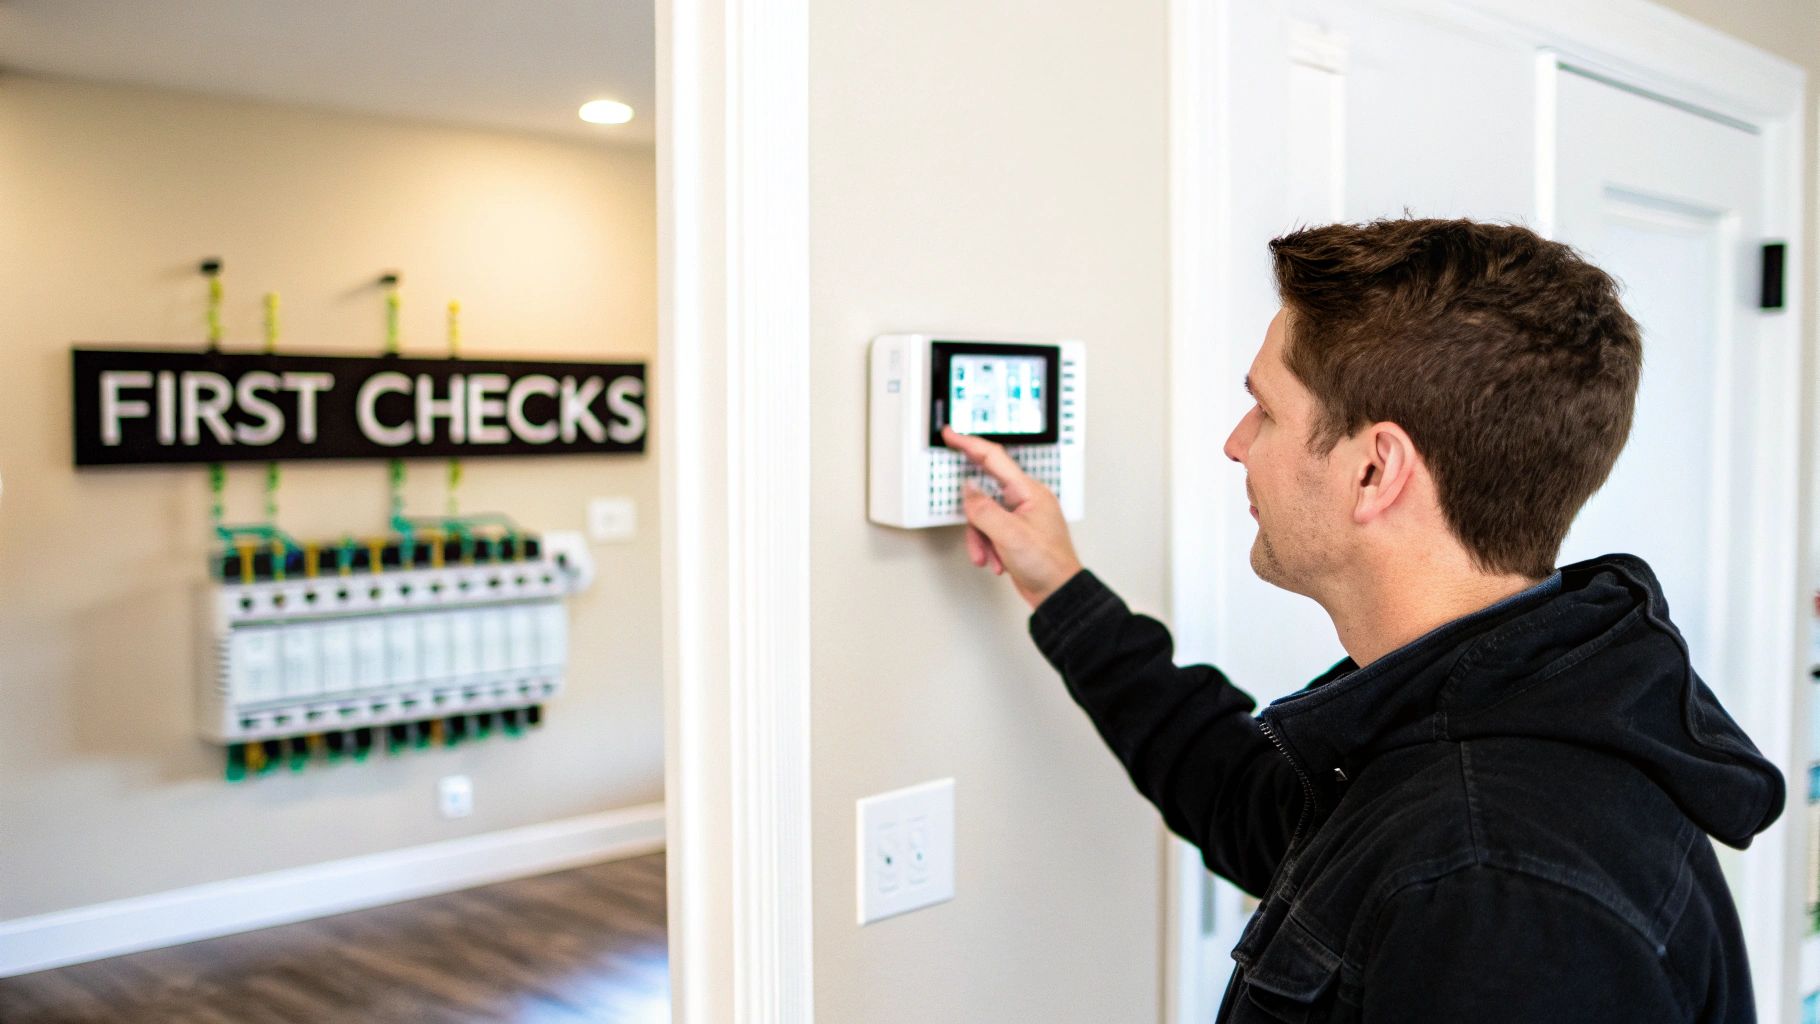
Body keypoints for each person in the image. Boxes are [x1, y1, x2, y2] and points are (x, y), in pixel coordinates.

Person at [942, 217, 1784, 1023]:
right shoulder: (1478, 699)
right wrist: (1060, 586)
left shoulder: (1494, 888)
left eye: (1265, 410)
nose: (1236, 443)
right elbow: (1246, 800)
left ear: (1376, 470)